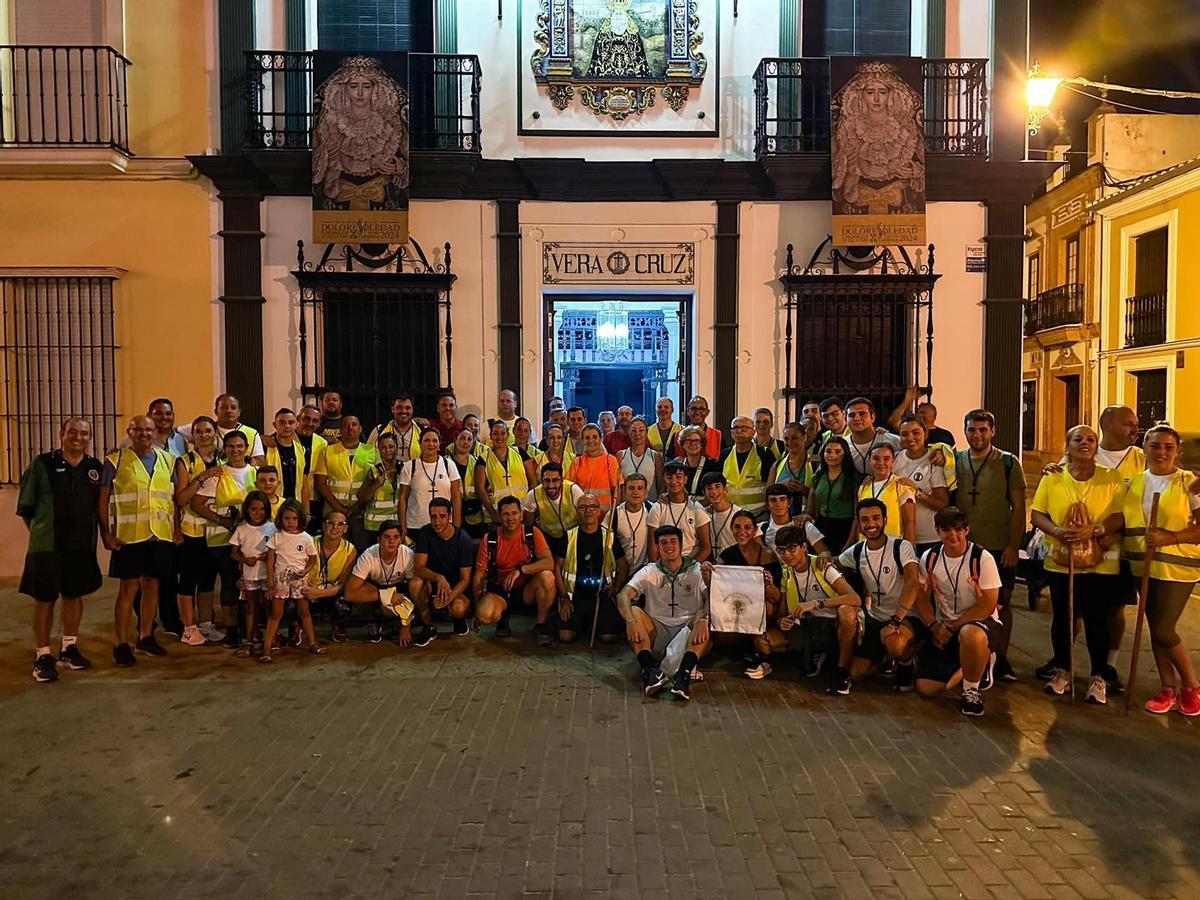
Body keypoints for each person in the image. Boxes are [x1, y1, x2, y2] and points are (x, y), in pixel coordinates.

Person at [1029, 425, 1126, 704]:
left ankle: (1098, 676)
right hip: (1061, 561)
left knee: (1098, 619)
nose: (1085, 443)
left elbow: (1120, 517)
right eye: (1078, 439)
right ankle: (1063, 669)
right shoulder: (1053, 478)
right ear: (1067, 446)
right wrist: (1057, 531)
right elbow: (1037, 514)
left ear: (1097, 447)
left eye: (1091, 439)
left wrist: (1094, 530)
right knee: (1063, 618)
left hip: (1100, 564)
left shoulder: (1112, 478)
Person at [1112, 424, 1200, 715]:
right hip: (1142, 565)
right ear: (1144, 448)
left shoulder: (1189, 483)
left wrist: (1170, 537)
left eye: (1168, 447)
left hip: (1177, 568)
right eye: (1155, 446)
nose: (1161, 452)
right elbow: (1120, 521)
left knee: (1164, 629)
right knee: (1154, 628)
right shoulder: (1132, 483)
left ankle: (1191, 686)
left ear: (1178, 451)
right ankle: (1167, 688)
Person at [18, 417, 104, 683]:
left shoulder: (94, 468)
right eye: (73, 432)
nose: (78, 437)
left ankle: (69, 648)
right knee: (45, 598)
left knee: (74, 595)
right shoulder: (43, 464)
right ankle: (43, 655)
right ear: (61, 434)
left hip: (80, 546)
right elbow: (26, 509)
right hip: (47, 546)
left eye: (84, 433)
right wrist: (43, 533)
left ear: (90, 438)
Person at [98, 415, 178, 667]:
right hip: (130, 536)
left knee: (153, 585)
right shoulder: (116, 460)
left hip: (160, 534)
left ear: (156, 432)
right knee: (129, 589)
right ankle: (120, 643)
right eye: (139, 430)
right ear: (129, 432)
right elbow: (102, 500)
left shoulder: (168, 460)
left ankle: (145, 636)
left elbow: (172, 499)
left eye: (149, 430)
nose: (144, 434)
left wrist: (176, 528)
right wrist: (106, 533)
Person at [954, 409, 1025, 683]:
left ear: (993, 431)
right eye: (972, 429)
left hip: (997, 545)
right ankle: (971, 652)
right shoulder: (957, 460)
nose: (978, 435)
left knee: (1002, 603)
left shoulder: (1008, 462)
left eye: (983, 430)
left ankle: (1001, 657)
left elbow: (1019, 507)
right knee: (966, 599)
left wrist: (1013, 545)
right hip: (965, 547)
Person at [913, 507, 1004, 717]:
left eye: (958, 529)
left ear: (967, 530)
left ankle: (971, 689)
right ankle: (970, 666)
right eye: (946, 529)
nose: (952, 535)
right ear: (937, 531)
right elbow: (922, 598)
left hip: (979, 623)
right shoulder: (930, 557)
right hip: (945, 625)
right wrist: (933, 626)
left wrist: (954, 625)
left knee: (970, 634)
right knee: (927, 689)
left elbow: (988, 604)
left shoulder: (982, 558)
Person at [616, 525, 711, 701]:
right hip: (658, 632)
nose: (669, 546)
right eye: (663, 543)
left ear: (681, 546)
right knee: (635, 611)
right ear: (657, 548)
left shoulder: (696, 569)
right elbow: (623, 595)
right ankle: (650, 671)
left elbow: (711, 598)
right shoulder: (650, 570)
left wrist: (704, 618)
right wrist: (629, 621)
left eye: (673, 542)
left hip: (689, 633)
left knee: (703, 615)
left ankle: (683, 675)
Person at [837, 499, 921, 690]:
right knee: (856, 673)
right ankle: (885, 658)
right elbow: (835, 563)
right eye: (865, 520)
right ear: (859, 524)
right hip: (876, 618)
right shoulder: (856, 552)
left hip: (905, 616)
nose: (871, 524)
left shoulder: (902, 547)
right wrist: (822, 559)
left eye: (876, 518)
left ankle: (906, 662)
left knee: (896, 644)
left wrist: (897, 619)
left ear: (885, 519)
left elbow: (912, 582)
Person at [770, 525, 860, 693]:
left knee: (847, 612)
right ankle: (818, 656)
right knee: (770, 642)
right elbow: (781, 613)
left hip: (832, 624)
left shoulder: (822, 566)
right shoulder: (786, 573)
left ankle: (841, 671)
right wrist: (781, 620)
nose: (786, 555)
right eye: (781, 550)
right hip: (807, 626)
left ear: (803, 547)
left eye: (791, 549)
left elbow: (855, 598)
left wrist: (816, 603)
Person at [191, 430, 258, 647]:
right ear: (225, 449)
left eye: (240, 446)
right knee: (229, 585)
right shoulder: (217, 474)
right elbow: (196, 504)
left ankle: (250, 627)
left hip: (250, 541)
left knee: (250, 585)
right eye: (231, 446)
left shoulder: (256, 473)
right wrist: (222, 521)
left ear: (246, 449)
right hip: (222, 541)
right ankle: (231, 629)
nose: (236, 450)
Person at [472, 496, 557, 643]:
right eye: (505, 514)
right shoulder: (490, 539)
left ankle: (541, 625)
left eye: (514, 513)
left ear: (521, 515)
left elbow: (549, 562)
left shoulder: (532, 533)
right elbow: (479, 576)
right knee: (484, 613)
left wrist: (521, 570)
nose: (510, 518)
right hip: (501, 590)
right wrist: (476, 607)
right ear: (499, 516)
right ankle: (502, 618)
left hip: (527, 589)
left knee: (548, 577)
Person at [173, 416, 225, 646]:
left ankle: (205, 624)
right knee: (188, 581)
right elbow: (181, 498)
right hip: (192, 532)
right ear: (193, 435)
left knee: (207, 581)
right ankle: (189, 627)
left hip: (215, 532)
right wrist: (201, 478)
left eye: (208, 431)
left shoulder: (222, 461)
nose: (204, 435)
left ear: (215, 434)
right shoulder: (186, 461)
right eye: (199, 431)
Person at [554, 495, 629, 643]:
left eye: (592, 507)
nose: (588, 511)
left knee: (608, 638)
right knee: (565, 636)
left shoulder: (609, 537)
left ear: (598, 510)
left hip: (601, 597)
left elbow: (623, 565)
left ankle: (593, 623)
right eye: (583, 507)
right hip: (575, 597)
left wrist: (615, 588)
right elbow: (557, 568)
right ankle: (582, 622)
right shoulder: (569, 536)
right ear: (577, 511)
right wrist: (564, 598)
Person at [719, 510, 783, 680]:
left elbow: (776, 597)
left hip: (764, 611)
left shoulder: (767, 554)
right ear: (731, 529)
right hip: (738, 606)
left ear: (755, 530)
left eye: (747, 527)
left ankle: (757, 653)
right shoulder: (727, 555)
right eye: (737, 527)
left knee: (767, 606)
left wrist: (767, 583)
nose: (742, 532)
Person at [344, 520, 429, 647]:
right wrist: (386, 595)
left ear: (400, 540)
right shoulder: (368, 556)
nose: (391, 541)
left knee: (417, 584)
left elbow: (414, 586)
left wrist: (406, 626)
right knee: (361, 588)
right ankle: (372, 622)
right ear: (379, 539)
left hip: (400, 588)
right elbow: (349, 593)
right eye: (387, 537)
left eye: (396, 537)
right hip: (377, 589)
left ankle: (416, 621)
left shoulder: (407, 554)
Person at [263, 500, 320, 661]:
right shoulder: (277, 537)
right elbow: (270, 561)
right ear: (281, 519)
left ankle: (313, 642)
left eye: (294, 518)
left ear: (300, 519)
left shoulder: (306, 538)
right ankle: (267, 648)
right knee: (276, 613)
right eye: (287, 518)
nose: (290, 522)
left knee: (304, 611)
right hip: (281, 579)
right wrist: (270, 581)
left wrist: (305, 572)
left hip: (299, 579)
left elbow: (312, 559)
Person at [412, 498, 475, 638]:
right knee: (415, 583)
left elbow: (465, 579)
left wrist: (449, 597)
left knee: (458, 607)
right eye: (434, 517)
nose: (437, 521)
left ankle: (458, 620)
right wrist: (438, 578)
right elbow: (418, 568)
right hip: (433, 582)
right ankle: (428, 625)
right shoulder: (425, 533)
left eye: (442, 516)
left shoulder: (463, 540)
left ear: (450, 516)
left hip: (456, 586)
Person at [893, 414, 952, 555]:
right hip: (900, 535)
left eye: (916, 433)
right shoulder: (895, 459)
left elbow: (943, 504)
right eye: (904, 434)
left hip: (928, 537)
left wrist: (917, 492)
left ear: (925, 434)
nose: (910, 438)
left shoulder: (934, 461)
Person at [316, 416, 378, 549]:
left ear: (360, 429)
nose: (350, 428)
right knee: (334, 549)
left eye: (354, 424)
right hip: (333, 512)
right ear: (340, 430)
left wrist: (359, 506)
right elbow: (321, 483)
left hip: (361, 513)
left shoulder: (372, 451)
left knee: (360, 550)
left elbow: (375, 483)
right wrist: (339, 507)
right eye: (346, 425)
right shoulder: (327, 451)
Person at [230, 492, 275, 659]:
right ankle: (249, 640)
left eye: (262, 509)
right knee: (251, 607)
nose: (258, 513)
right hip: (250, 575)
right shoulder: (242, 529)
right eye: (254, 509)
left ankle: (271, 639)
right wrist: (244, 559)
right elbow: (233, 553)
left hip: (268, 575)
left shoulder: (272, 528)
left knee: (269, 607)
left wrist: (268, 556)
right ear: (247, 510)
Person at [300, 511, 357, 644]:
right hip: (307, 589)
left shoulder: (350, 550)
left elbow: (343, 585)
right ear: (324, 526)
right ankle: (295, 626)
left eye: (340, 524)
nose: (335, 527)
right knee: (290, 601)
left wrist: (319, 593)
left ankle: (338, 627)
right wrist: (308, 589)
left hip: (329, 592)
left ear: (345, 529)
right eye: (331, 523)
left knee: (344, 604)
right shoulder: (309, 542)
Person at [397, 428, 461, 540]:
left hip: (444, 525)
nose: (431, 444)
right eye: (426, 440)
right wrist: (402, 526)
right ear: (420, 443)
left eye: (434, 441)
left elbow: (456, 497)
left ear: (439, 443)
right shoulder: (409, 466)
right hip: (416, 525)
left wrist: (456, 525)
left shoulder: (449, 465)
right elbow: (403, 498)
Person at [850, 444, 917, 546]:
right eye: (876, 458)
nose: (881, 463)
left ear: (893, 461)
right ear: (869, 460)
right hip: (865, 547)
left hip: (892, 546)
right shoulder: (864, 486)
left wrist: (909, 550)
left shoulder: (902, 486)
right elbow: (857, 521)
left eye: (886, 459)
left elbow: (909, 523)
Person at [648, 460, 712, 562]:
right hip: (665, 564)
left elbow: (706, 548)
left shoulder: (697, 508)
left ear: (685, 479)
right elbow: (653, 547)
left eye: (678, 477)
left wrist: (688, 568)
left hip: (691, 563)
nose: (674, 481)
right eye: (669, 477)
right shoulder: (658, 508)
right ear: (664, 479)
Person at [521, 462, 585, 558]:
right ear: (541, 481)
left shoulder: (573, 490)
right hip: (549, 538)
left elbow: (585, 518)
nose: (551, 485)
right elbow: (528, 526)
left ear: (562, 480)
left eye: (555, 480)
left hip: (574, 536)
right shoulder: (533, 495)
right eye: (547, 481)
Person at [806, 435, 857, 554]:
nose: (832, 455)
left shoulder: (853, 479)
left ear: (845, 454)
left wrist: (849, 544)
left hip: (844, 528)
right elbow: (810, 511)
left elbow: (857, 516)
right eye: (828, 451)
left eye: (838, 451)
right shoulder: (817, 477)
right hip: (821, 527)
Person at [719, 416, 776, 519]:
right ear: (731, 433)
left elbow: (771, 486)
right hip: (730, 515)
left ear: (753, 432)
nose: (739, 431)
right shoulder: (724, 455)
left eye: (744, 428)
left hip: (758, 515)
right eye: (735, 428)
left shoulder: (764, 454)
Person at [476, 420, 531, 523]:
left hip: (522, 511)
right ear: (491, 436)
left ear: (508, 434)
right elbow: (480, 488)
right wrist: (493, 513)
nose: (499, 437)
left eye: (503, 433)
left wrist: (529, 508)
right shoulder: (483, 458)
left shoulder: (520, 452)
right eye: (495, 433)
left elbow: (532, 481)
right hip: (498, 513)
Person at [357, 433, 403, 548]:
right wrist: (376, 484)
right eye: (383, 447)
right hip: (375, 527)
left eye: (391, 446)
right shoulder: (373, 470)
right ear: (378, 449)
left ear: (397, 448)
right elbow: (361, 498)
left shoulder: (403, 469)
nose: (388, 450)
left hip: (395, 526)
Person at [569, 424, 624, 519]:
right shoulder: (577, 462)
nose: (591, 441)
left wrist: (614, 514)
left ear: (601, 439)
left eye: (594, 437)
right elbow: (569, 489)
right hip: (583, 517)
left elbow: (617, 491)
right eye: (587, 437)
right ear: (582, 440)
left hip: (606, 517)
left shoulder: (610, 460)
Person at [761, 484, 829, 554]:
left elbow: (824, 553)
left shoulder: (804, 526)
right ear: (767, 505)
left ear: (789, 503)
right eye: (773, 500)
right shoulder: (762, 529)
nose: (778, 504)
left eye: (782, 499)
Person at [845, 397, 901, 477]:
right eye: (852, 415)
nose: (857, 418)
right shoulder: (842, 445)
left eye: (862, 414)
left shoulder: (894, 441)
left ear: (872, 417)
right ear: (846, 419)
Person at [448, 426, 486, 538]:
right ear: (456, 439)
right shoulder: (446, 462)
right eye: (462, 438)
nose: (465, 442)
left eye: (469, 439)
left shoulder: (478, 462)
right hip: (453, 513)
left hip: (474, 515)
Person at [767, 421, 812, 517]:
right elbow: (767, 493)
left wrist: (804, 490)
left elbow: (821, 497)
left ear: (804, 438)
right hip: (781, 522)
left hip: (806, 521)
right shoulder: (777, 465)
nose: (790, 442)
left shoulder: (815, 464)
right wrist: (781, 486)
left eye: (794, 438)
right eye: (786, 439)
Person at [264, 408, 309, 504]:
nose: (287, 426)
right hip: (271, 505)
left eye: (291, 422)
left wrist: (306, 512)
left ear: (297, 425)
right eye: (282, 423)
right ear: (275, 425)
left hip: (295, 505)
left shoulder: (302, 450)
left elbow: (304, 484)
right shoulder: (266, 447)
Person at [296, 404, 329, 533]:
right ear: (299, 418)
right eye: (306, 419)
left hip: (313, 498)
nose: (310, 423)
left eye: (315, 420)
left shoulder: (322, 443)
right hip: (289, 495)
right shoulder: (285, 438)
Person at [613, 473, 655, 573]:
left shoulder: (653, 510)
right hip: (620, 571)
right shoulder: (614, 515)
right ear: (624, 491)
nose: (635, 492)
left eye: (640, 488)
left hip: (645, 571)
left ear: (646, 493)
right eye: (631, 488)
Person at [888, 387, 956, 448]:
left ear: (933, 414)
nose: (919, 415)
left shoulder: (945, 435)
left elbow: (952, 457)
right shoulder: (909, 431)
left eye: (923, 412)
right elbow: (894, 420)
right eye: (918, 412)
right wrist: (907, 400)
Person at [618, 417, 664, 501]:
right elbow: (617, 486)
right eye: (633, 430)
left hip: (649, 506)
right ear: (629, 433)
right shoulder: (621, 455)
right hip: (626, 506)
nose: (637, 434)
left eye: (641, 430)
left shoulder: (656, 456)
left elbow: (661, 485)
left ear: (646, 433)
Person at [123, 398, 188, 457]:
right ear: (149, 415)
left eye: (168, 414)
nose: (164, 417)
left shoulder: (180, 439)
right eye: (158, 414)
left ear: (173, 415)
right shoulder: (134, 439)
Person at [701, 473, 742, 557]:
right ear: (704, 493)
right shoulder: (703, 514)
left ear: (725, 489)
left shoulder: (739, 514)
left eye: (717, 486)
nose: (714, 492)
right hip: (712, 564)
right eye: (709, 488)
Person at [368, 393, 421, 458]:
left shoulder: (422, 430)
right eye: (399, 407)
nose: (404, 411)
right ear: (392, 409)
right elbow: (366, 457)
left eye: (408, 408)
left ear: (412, 410)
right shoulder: (379, 430)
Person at [676, 425, 721, 497]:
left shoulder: (713, 466)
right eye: (688, 441)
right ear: (683, 444)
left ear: (702, 444)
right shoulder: (677, 466)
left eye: (697, 441)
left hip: (704, 507)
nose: (693, 444)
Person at [512, 417, 543, 485]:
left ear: (530, 432)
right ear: (513, 430)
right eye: (519, 430)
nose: (522, 434)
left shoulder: (538, 454)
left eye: (525, 431)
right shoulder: (507, 452)